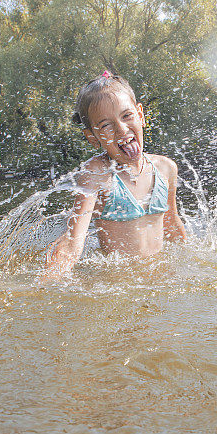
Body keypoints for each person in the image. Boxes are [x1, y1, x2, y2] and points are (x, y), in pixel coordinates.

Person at [44, 70, 186, 279]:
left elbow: (172, 224)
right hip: (118, 281)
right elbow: (74, 240)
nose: (121, 130)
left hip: (159, 279)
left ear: (140, 115)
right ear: (92, 137)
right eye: (106, 125)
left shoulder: (166, 168)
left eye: (127, 116)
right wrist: (46, 283)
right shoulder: (97, 174)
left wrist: (192, 263)